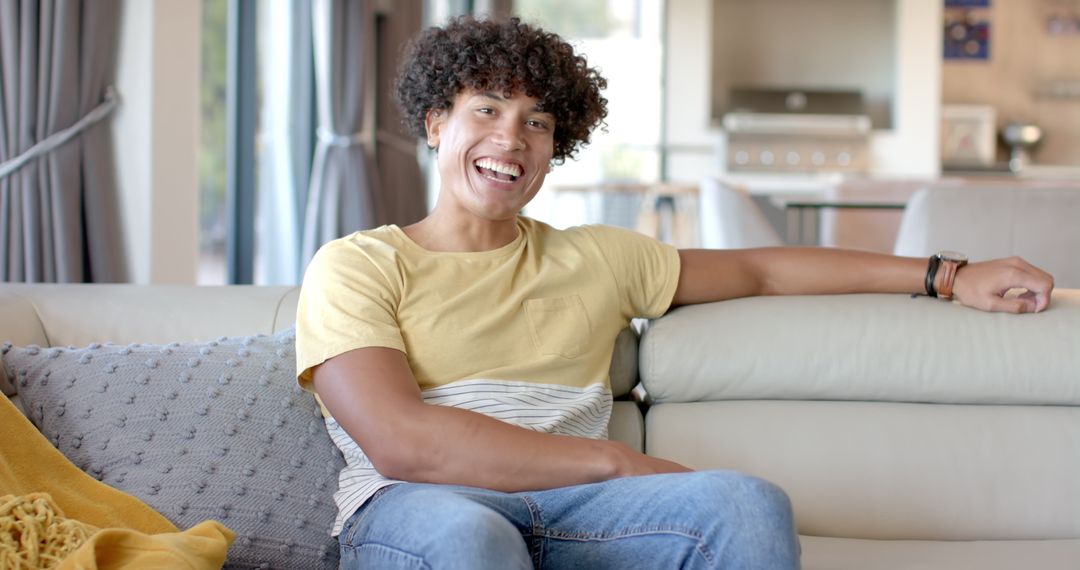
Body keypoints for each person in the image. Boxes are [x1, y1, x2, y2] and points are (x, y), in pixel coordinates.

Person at [295, 16, 1054, 570]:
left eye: (538, 121)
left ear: (555, 147)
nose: (511, 138)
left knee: (746, 503)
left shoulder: (597, 256)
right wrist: (614, 462)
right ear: (436, 124)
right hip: (421, 508)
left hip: (581, 514)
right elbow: (404, 443)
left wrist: (948, 276)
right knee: (471, 538)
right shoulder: (359, 265)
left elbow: (764, 271)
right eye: (486, 109)